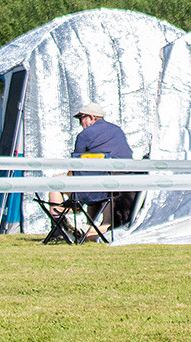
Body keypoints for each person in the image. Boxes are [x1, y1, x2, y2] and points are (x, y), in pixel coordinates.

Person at [48, 102, 134, 241]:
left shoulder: (85, 135)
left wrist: (72, 196)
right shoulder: (117, 130)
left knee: (55, 182)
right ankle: (87, 225)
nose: (80, 122)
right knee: (92, 183)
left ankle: (58, 229)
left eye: (81, 118)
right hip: (123, 185)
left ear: (91, 117)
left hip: (97, 187)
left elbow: (75, 165)